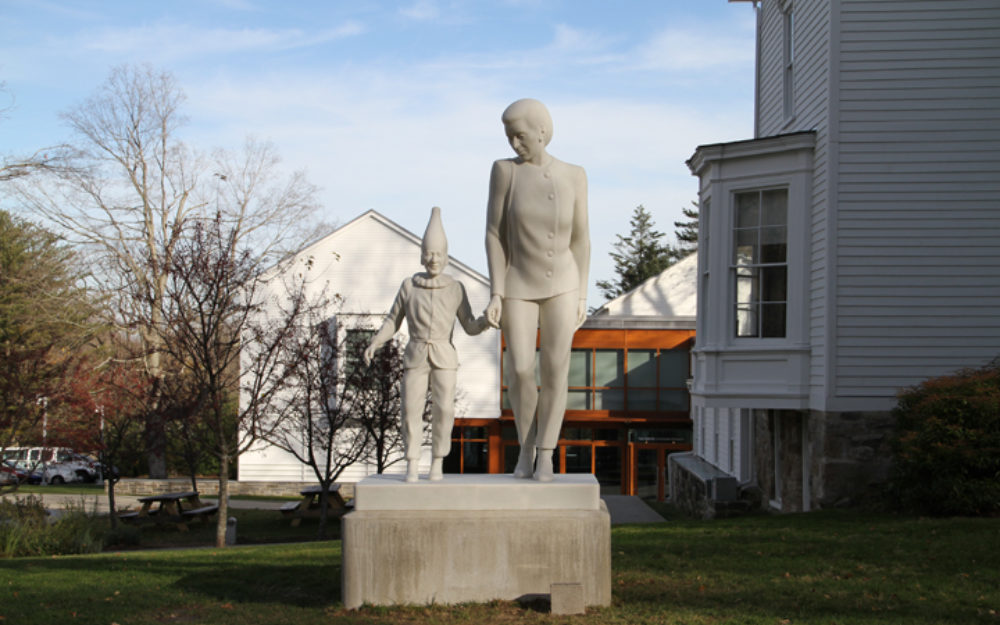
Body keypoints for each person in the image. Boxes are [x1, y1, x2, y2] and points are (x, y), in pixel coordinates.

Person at [484, 98, 590, 482]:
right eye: (509, 137)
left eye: (520, 135)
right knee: (520, 369)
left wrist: (582, 295)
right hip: (518, 282)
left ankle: (546, 452)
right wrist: (496, 292)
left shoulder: (574, 174)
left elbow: (581, 239)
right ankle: (526, 447)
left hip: (564, 282)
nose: (514, 144)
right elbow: (494, 234)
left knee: (556, 368)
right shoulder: (504, 172)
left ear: (541, 131)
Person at [364, 206, 490, 482]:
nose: (434, 259)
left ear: (446, 257)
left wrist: (486, 322)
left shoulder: (455, 288)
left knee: (444, 410)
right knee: (410, 409)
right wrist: (376, 342)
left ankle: (437, 462)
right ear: (422, 256)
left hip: (445, 356)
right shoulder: (409, 287)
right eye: (430, 254)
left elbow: (469, 324)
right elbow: (392, 320)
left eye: (439, 254)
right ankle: (411, 462)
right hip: (416, 354)